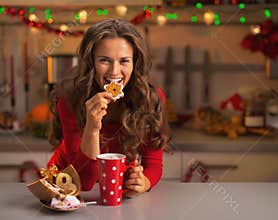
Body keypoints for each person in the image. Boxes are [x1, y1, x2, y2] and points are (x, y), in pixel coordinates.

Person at [47, 18, 170, 198]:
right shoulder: (70, 101)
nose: (114, 71)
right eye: (104, 60)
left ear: (135, 63)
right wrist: (92, 127)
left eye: (124, 61)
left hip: (116, 185)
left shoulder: (150, 98)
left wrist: (144, 182)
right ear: (91, 63)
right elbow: (84, 182)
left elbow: (153, 164)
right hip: (65, 182)